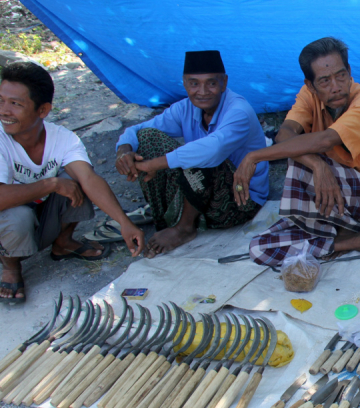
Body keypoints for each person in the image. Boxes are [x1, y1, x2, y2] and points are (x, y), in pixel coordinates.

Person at [0, 62, 144, 304]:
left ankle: (63, 243)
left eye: (15, 104)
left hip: (40, 217)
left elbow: (89, 179)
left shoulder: (62, 138)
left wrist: (124, 222)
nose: (3, 110)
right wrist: (50, 184)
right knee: (16, 214)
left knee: (75, 180)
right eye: (0, 100)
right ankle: (11, 267)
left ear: (43, 110)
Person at [235, 37, 360, 266]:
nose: (336, 86)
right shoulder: (308, 94)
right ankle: (352, 241)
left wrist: (254, 156)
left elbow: (323, 141)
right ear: (310, 85)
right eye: (324, 81)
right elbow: (285, 134)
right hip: (329, 193)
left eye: (341, 75)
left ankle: (332, 230)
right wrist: (318, 165)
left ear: (350, 71)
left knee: (299, 160)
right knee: (259, 248)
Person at [115, 50, 269, 258]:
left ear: (224, 83)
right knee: (148, 138)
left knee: (203, 156)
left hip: (240, 201)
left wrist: (154, 165)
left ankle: (184, 228)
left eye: (211, 83)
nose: (202, 91)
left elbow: (212, 149)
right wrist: (124, 151)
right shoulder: (184, 108)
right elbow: (138, 130)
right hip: (203, 191)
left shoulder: (239, 110)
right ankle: (165, 220)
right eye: (194, 83)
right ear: (185, 84)